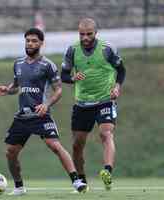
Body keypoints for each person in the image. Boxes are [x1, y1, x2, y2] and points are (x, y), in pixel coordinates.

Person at [0, 27, 87, 196]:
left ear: (41, 43)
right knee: (10, 152)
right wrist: (7, 89)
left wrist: (47, 104)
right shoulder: (18, 64)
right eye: (28, 41)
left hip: (41, 115)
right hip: (22, 117)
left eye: (34, 41)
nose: (30, 44)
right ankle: (19, 187)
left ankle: (76, 181)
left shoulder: (48, 65)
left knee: (55, 145)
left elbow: (58, 89)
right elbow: (16, 86)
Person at [61, 18, 126, 191]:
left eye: (89, 34)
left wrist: (117, 87)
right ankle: (81, 182)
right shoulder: (72, 50)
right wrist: (72, 78)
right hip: (82, 103)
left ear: (95, 33)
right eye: (82, 34)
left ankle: (107, 171)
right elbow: (64, 75)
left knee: (106, 134)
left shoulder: (107, 49)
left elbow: (121, 70)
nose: (85, 38)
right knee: (77, 145)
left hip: (105, 99)